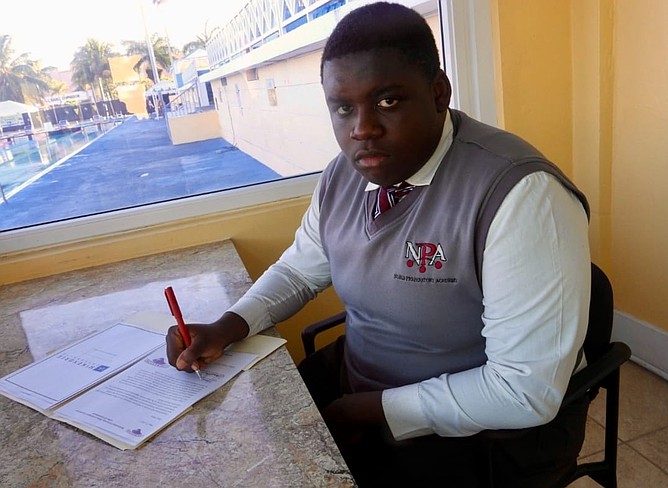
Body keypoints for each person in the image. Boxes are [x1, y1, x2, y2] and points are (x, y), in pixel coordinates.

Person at [166, 2, 591, 486]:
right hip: (362, 383)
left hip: (481, 431)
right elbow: (301, 270)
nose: (361, 129)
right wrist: (227, 326)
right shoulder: (344, 174)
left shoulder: (521, 195)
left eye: (387, 101)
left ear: (438, 93)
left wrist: (365, 412)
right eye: (343, 108)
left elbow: (523, 392)